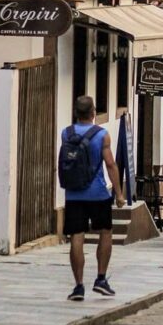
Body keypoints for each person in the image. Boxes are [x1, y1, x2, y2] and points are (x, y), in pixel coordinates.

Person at [62, 95, 125, 301]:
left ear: (75, 113)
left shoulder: (66, 133)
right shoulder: (102, 135)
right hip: (98, 193)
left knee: (76, 236)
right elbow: (110, 164)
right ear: (93, 113)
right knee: (105, 232)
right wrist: (119, 193)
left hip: (73, 194)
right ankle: (100, 278)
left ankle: (78, 286)